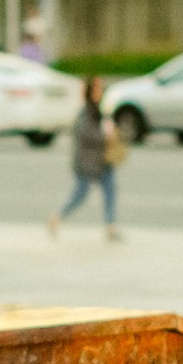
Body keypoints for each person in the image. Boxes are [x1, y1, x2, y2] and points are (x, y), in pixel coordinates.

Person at [49, 74, 123, 243]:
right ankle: (57, 217)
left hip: (100, 161)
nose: (100, 90)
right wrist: (106, 137)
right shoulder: (86, 112)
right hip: (88, 162)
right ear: (90, 91)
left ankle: (110, 227)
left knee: (110, 190)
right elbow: (86, 134)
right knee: (80, 194)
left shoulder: (97, 109)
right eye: (97, 88)